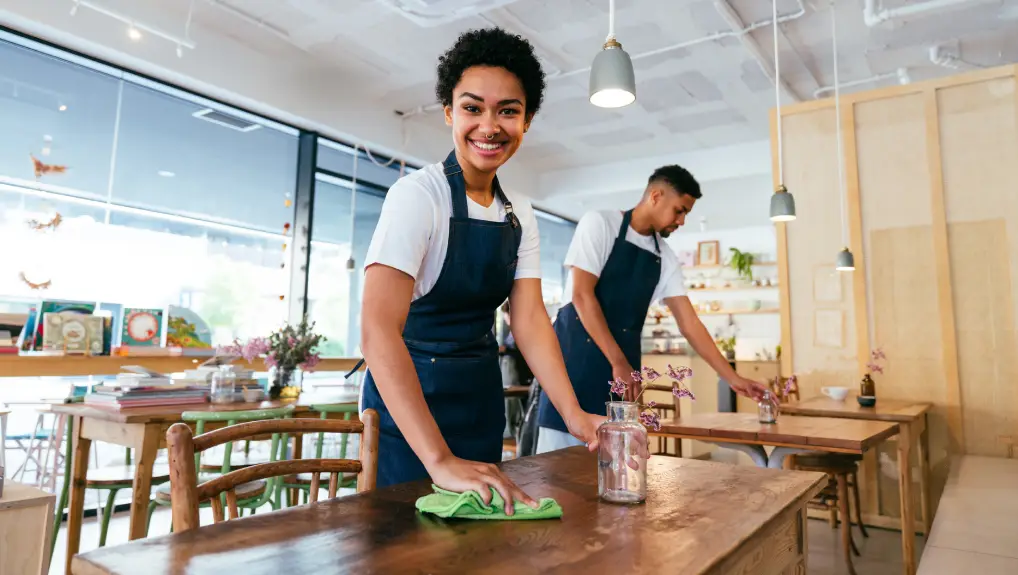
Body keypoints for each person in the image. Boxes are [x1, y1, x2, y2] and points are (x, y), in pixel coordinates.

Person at [358, 27, 605, 513]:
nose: (489, 126)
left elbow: (530, 320)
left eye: (507, 111)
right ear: (450, 112)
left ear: (526, 121)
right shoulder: (417, 198)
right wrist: (439, 458)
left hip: (479, 400)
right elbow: (377, 331)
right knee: (403, 547)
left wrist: (574, 414)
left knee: (480, 546)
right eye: (473, 108)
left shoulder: (521, 214)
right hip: (410, 406)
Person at [535, 165, 770, 453]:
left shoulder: (665, 258)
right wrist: (619, 361)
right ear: (656, 196)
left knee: (614, 469)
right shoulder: (600, 224)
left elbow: (690, 323)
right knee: (555, 468)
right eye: (679, 210)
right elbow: (582, 296)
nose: (681, 221)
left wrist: (733, 378)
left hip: (621, 374)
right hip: (574, 364)